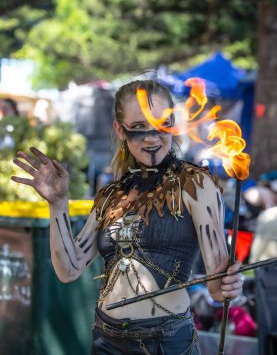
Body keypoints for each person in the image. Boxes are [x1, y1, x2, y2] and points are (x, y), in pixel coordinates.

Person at [11, 80, 243, 355]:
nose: (152, 138)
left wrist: (231, 284)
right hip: (106, 340)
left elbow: (218, 288)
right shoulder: (111, 196)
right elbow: (69, 269)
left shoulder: (195, 184)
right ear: (120, 130)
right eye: (139, 128)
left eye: (162, 124)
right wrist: (58, 204)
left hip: (165, 343)